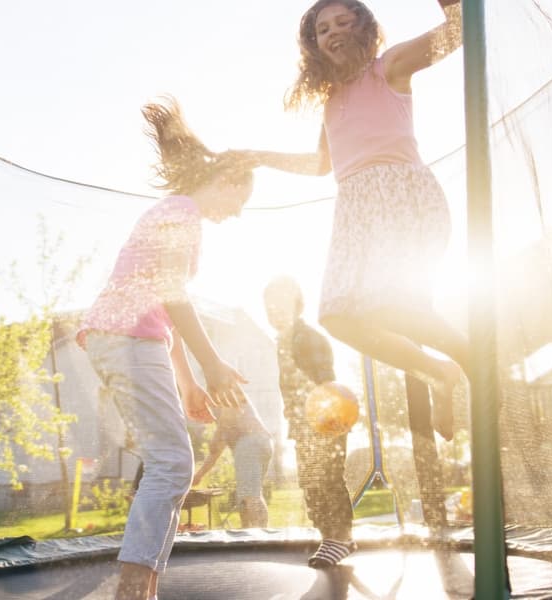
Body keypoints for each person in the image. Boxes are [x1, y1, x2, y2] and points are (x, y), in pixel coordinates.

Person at [237, 0, 465, 440]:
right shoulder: (330, 99)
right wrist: (260, 157)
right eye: (323, 29)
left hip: (401, 196)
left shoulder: (390, 67)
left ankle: (469, 355)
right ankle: (439, 370)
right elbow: (322, 164)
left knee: (391, 304)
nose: (334, 31)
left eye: (344, 21)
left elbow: (456, 32)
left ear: (366, 29)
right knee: (339, 315)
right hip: (355, 209)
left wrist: (451, 5)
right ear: (314, 45)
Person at [78, 97, 255, 600]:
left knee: (170, 460)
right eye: (239, 200)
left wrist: (189, 382)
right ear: (227, 181)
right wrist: (213, 363)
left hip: (131, 337)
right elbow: (175, 294)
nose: (236, 213)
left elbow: (162, 308)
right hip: (126, 337)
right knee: (172, 462)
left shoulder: (175, 213)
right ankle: (133, 591)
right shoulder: (181, 212)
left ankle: (143, 588)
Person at [263, 275, 355, 568]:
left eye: (280, 305)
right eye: (269, 307)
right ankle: (331, 536)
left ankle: (339, 538)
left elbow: (326, 382)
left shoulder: (308, 339)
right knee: (311, 481)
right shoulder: (283, 341)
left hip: (326, 421)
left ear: (296, 306)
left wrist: (328, 421)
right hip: (305, 426)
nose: (274, 312)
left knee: (327, 479)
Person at [192, 403, 274, 528]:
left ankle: (262, 537)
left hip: (248, 443)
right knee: (245, 497)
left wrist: (217, 434)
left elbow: (227, 415)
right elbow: (215, 452)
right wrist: (199, 475)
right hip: (262, 442)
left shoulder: (221, 391)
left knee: (250, 495)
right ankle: (247, 535)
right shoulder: (220, 401)